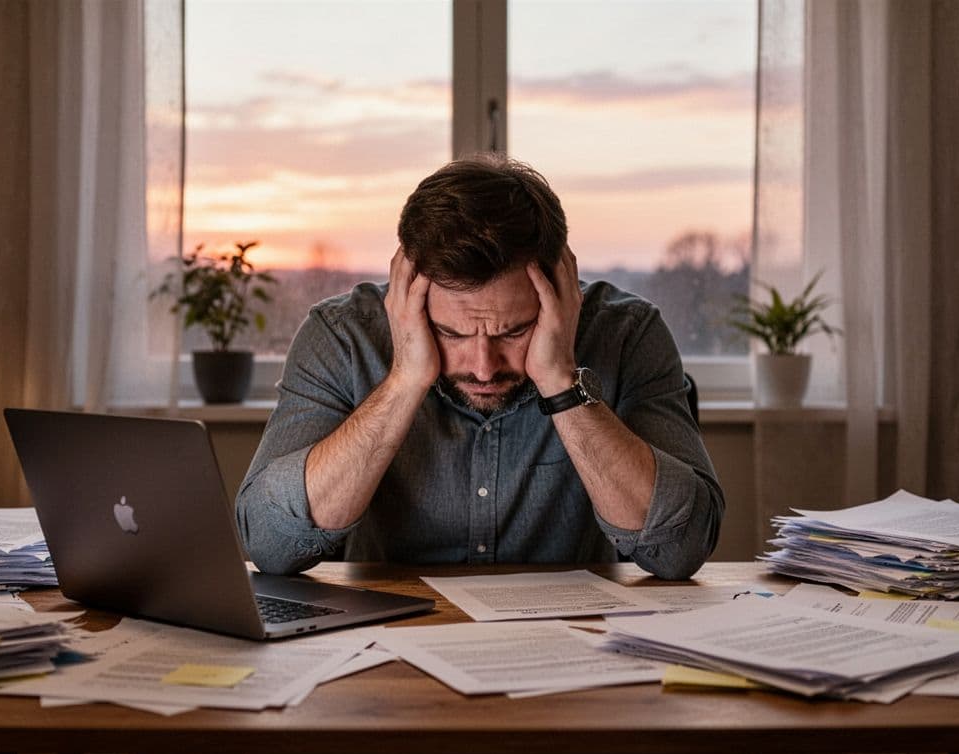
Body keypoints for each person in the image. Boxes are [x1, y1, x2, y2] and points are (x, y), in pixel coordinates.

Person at [237, 155, 724, 580]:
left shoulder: (627, 333)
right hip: (386, 650)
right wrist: (405, 380)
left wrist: (561, 383)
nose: (484, 367)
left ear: (561, 285)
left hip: (569, 648)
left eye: (514, 331)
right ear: (409, 291)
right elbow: (270, 544)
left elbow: (680, 550)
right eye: (452, 333)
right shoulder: (343, 335)